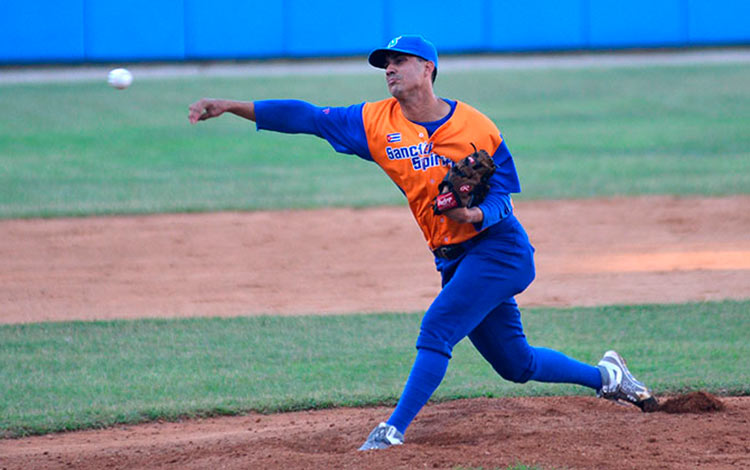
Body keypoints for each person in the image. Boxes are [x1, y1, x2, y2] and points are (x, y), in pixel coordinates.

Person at [188, 34, 656, 451]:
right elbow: (307, 116)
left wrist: (473, 213)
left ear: (427, 68)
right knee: (516, 364)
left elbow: (503, 195)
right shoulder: (375, 122)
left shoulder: (476, 126)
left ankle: (392, 430)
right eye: (384, 64)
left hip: (499, 250)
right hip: (452, 260)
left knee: (436, 329)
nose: (389, 69)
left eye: (399, 61)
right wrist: (233, 105)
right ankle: (609, 377)